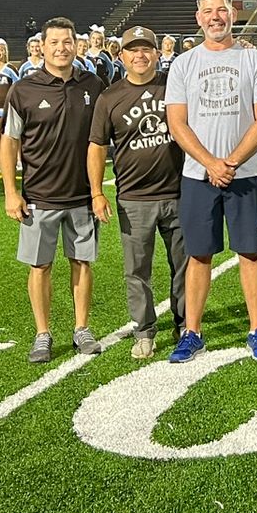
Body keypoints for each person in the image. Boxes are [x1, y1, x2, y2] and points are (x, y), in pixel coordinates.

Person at [164, 0, 257, 363]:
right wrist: (211, 163)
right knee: (199, 255)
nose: (215, 17)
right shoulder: (184, 64)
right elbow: (177, 123)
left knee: (249, 251)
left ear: (233, 15)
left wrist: (229, 161)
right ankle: (192, 331)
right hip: (199, 176)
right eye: (208, 11)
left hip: (245, 174)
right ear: (198, 18)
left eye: (222, 10)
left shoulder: (255, 60)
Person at [0, 16, 106, 364]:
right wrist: (11, 192)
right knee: (40, 266)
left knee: (82, 262)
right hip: (38, 197)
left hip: (82, 195)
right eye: (54, 42)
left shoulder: (93, 84)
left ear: (77, 45)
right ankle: (43, 333)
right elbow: (9, 142)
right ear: (41, 47)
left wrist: (97, 191)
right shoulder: (23, 89)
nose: (61, 48)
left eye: (68, 41)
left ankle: (82, 329)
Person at [89, 26, 190, 360]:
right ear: (122, 56)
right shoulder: (109, 97)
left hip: (178, 192)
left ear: (157, 54)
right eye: (133, 50)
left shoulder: (174, 87)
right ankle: (144, 331)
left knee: (185, 265)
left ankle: (185, 324)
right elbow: (97, 146)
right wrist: (96, 193)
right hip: (133, 198)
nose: (141, 55)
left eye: (147, 49)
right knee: (137, 271)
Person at [0, 38, 20, 166]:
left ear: (5, 51)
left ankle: (18, 161)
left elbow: (17, 86)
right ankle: (0, 161)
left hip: (8, 107)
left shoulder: (10, 68)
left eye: (1, 50)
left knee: (12, 135)